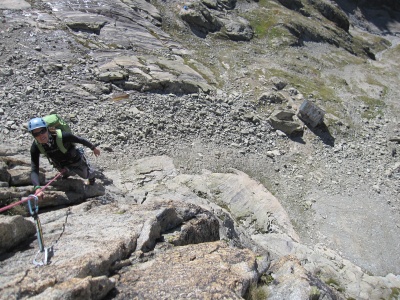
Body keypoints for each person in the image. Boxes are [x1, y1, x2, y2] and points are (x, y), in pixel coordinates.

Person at [28, 117, 101, 194]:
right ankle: (67, 172)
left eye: (42, 131)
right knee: (66, 175)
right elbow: (34, 168)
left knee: (86, 175)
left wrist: (93, 148)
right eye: (36, 134)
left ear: (47, 129)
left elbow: (80, 140)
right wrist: (37, 188)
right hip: (61, 165)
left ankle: (91, 176)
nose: (41, 135)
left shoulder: (62, 136)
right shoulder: (35, 147)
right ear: (33, 135)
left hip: (76, 161)